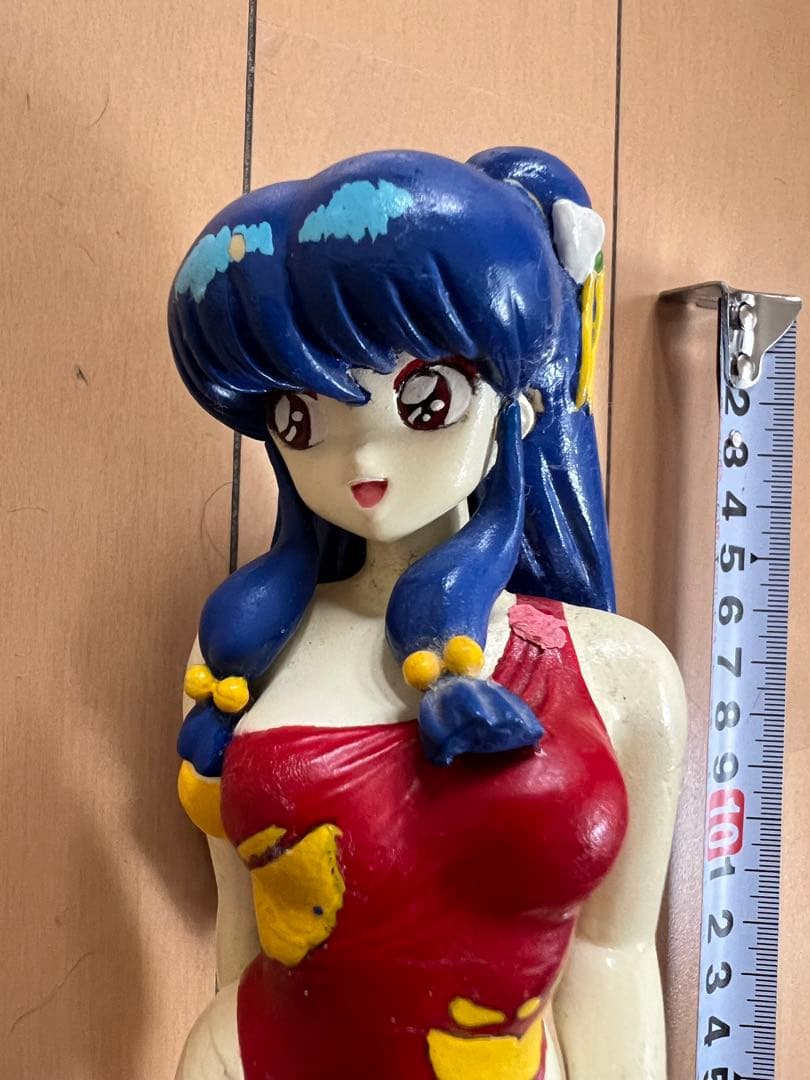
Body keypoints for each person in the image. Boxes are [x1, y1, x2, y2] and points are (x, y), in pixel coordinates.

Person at [168, 147, 686, 1079]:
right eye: (301, 417)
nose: (362, 457)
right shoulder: (241, 660)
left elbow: (614, 957)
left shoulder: (623, 674)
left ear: (511, 400)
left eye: (424, 398)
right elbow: (240, 947)